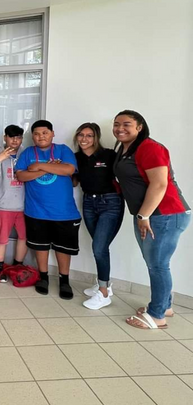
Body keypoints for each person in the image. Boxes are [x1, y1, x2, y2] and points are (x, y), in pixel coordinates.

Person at [112, 110, 190, 330]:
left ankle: (157, 316)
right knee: (156, 264)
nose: (120, 128)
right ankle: (164, 306)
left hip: (164, 215)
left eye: (126, 124)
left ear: (139, 127)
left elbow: (159, 184)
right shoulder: (125, 148)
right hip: (149, 215)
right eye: (116, 124)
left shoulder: (150, 147)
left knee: (158, 265)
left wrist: (143, 215)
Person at [15, 120, 81, 300]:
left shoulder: (63, 150)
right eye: (36, 134)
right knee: (40, 247)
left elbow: (68, 169)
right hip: (36, 211)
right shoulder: (28, 153)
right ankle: (43, 277)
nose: (40, 137)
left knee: (63, 248)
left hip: (64, 212)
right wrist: (50, 168)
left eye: (45, 133)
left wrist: (38, 166)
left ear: (52, 134)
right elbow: (21, 175)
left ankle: (64, 280)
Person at [73, 123, 124, 310]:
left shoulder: (108, 155)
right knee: (99, 247)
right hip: (88, 202)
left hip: (110, 202)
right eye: (81, 135)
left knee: (99, 248)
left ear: (96, 138)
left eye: (89, 135)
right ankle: (105, 284)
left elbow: (124, 174)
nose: (84, 139)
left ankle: (103, 293)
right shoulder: (76, 157)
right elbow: (74, 181)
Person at [0, 125, 28, 281]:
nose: (15, 140)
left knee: (24, 236)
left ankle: (18, 265)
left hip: (25, 205)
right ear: (5, 137)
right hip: (2, 204)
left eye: (18, 137)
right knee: (1, 237)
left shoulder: (26, 154)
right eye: (11, 137)